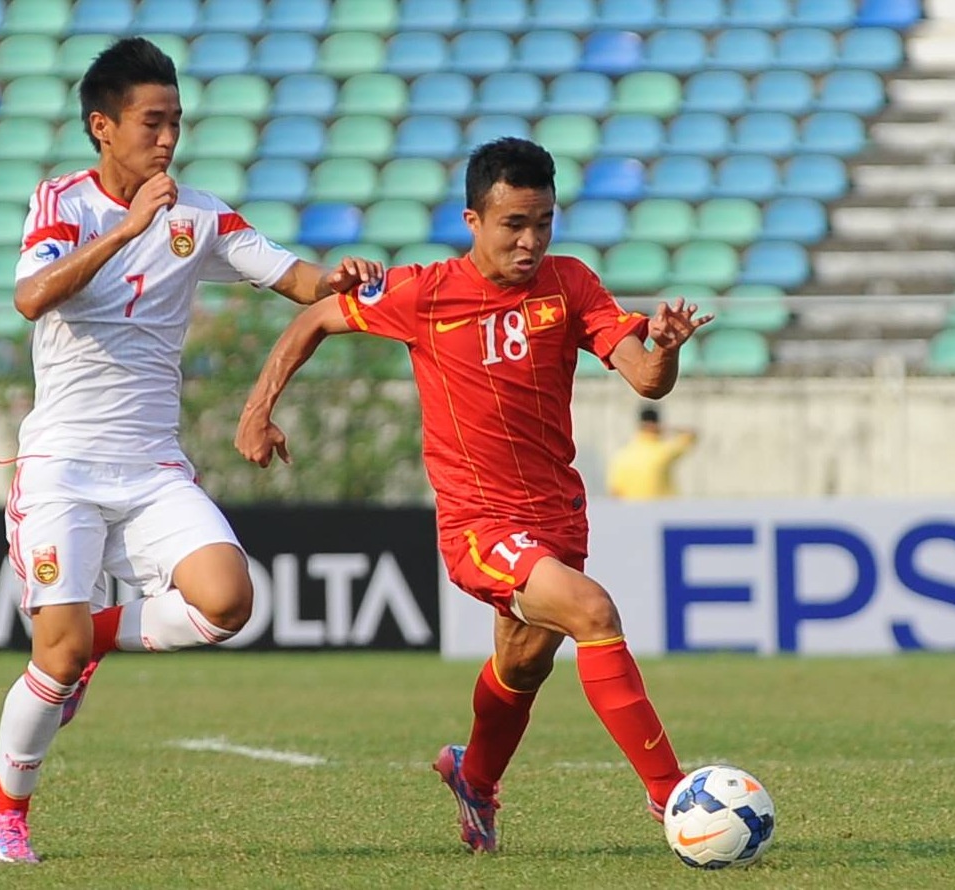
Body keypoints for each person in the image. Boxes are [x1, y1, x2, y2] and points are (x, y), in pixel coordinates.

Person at [235, 138, 712, 854]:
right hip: (478, 523)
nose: (530, 241)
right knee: (593, 610)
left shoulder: (571, 283)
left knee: (523, 666)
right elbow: (314, 318)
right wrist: (257, 411)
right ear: (473, 220)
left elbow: (645, 379)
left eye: (543, 223)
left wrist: (666, 349)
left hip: (558, 515)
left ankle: (475, 777)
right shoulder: (424, 292)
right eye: (513, 224)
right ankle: (673, 795)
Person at [0, 37, 383, 865]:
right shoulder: (62, 202)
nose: (167, 139)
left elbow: (294, 278)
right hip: (61, 466)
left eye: (176, 123)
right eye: (151, 123)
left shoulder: (200, 216)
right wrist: (129, 229)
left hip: (152, 465)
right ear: (103, 126)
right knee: (56, 656)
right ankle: (4, 815)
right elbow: (31, 297)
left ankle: (97, 635)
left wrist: (339, 278)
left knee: (228, 602)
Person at [606, 406, 697, 500]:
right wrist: (667, 428)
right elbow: (691, 435)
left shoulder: (622, 455)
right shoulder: (665, 450)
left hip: (633, 508)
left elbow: (615, 492)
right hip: (664, 507)